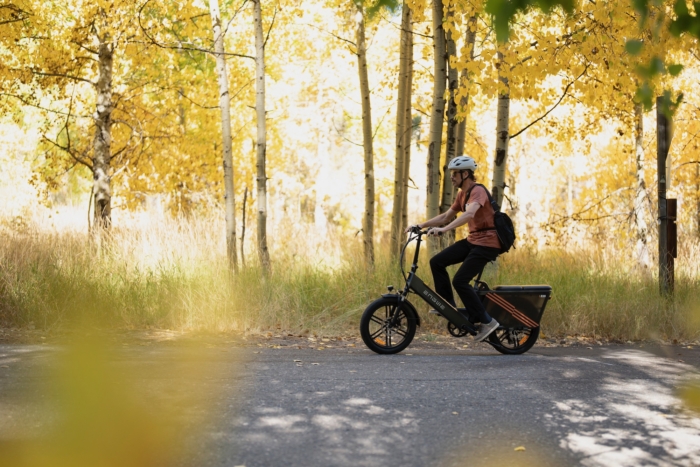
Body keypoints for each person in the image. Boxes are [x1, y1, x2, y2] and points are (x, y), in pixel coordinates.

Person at [406, 156, 500, 342]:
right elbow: (445, 217)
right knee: (437, 262)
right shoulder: (462, 195)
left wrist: (444, 230)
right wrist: (420, 225)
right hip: (473, 241)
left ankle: (487, 322)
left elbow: (469, 214)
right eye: (451, 174)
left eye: (455, 174)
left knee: (460, 281)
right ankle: (447, 304)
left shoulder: (478, 191)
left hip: (487, 243)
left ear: (465, 174)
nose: (451, 177)